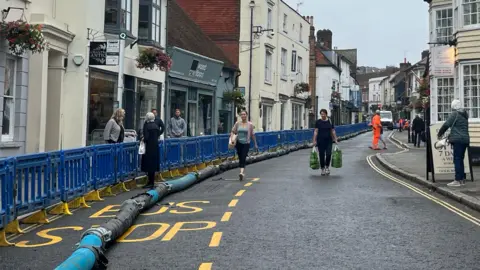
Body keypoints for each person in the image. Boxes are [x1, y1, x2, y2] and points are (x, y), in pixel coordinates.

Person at [437, 100, 470, 187]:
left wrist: (439, 134)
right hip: (465, 139)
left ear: (454, 107)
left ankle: (457, 180)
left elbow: (446, 125)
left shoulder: (455, 114)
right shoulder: (465, 115)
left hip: (458, 140)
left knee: (457, 159)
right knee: (460, 159)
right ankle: (462, 179)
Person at [230, 110, 258, 181]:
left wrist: (255, 144)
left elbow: (252, 134)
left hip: (246, 143)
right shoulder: (237, 123)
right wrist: (232, 139)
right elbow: (233, 131)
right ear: (240, 116)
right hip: (238, 143)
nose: (243, 116)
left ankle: (241, 173)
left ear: (246, 115)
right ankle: (242, 171)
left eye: (244, 114)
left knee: (243, 157)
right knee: (240, 157)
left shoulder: (250, 125)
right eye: (242, 114)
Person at [312, 109, 338, 175]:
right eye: (321, 114)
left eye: (323, 114)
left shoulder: (330, 121)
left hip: (329, 140)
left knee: (329, 154)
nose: (322, 115)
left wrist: (335, 139)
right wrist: (314, 140)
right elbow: (316, 131)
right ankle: (322, 168)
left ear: (326, 114)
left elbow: (333, 131)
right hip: (320, 140)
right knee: (321, 155)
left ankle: (327, 167)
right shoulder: (318, 122)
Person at [141, 112, 162, 188]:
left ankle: (149, 182)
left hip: (149, 147)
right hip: (155, 147)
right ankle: (152, 182)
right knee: (153, 165)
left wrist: (143, 139)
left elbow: (146, 137)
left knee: (148, 165)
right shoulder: (156, 126)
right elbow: (159, 133)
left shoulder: (146, 125)